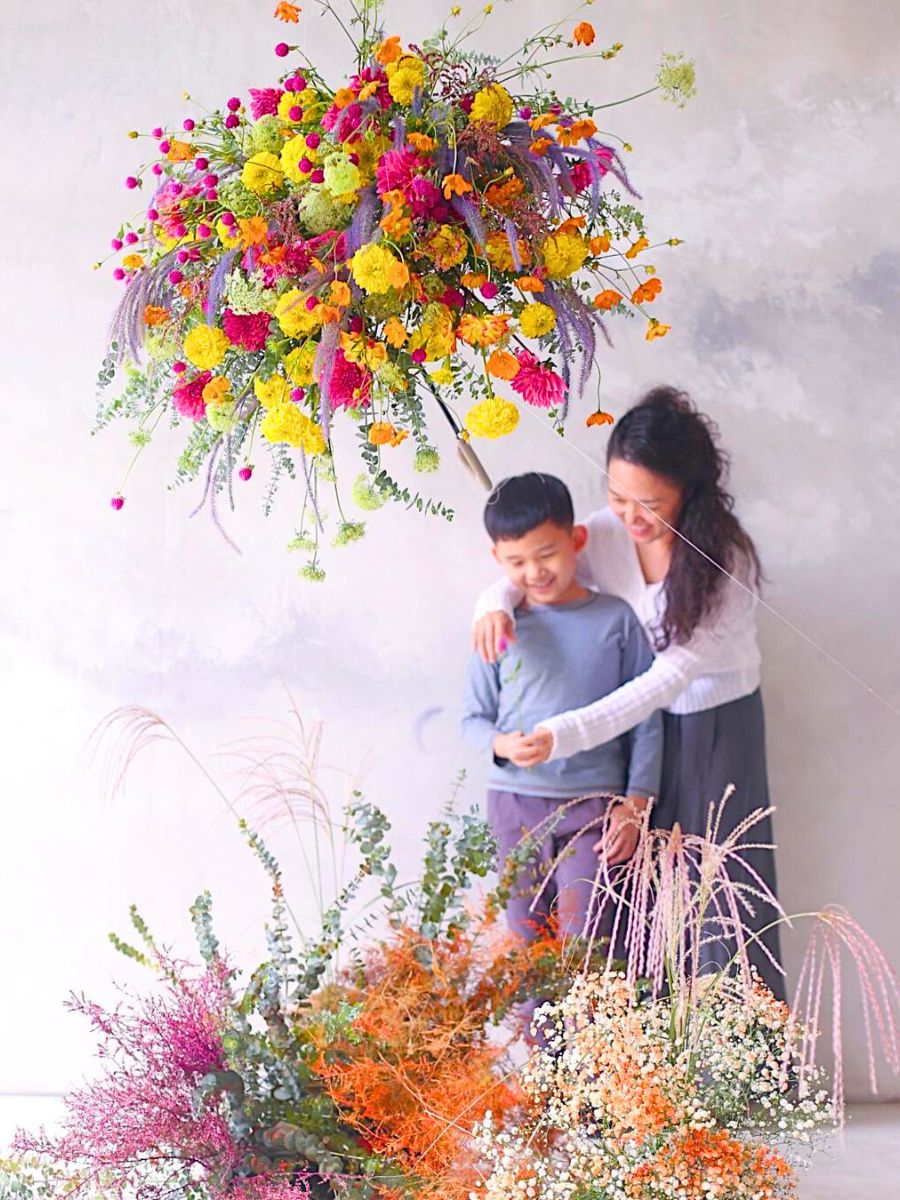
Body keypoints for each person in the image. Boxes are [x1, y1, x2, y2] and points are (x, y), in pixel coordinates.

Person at [471, 387, 784, 999]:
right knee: (637, 905)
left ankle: (742, 1073)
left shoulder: (725, 560)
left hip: (713, 731)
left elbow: (665, 680)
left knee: (719, 897)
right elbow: (537, 561)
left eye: (650, 503)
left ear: (689, 492)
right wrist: (492, 604)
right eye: (616, 496)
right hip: (635, 741)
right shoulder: (606, 532)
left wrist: (562, 733)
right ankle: (644, 1079)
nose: (629, 516)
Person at [461, 471, 663, 958]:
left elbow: (647, 719)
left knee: (587, 949)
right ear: (497, 560)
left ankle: (591, 1038)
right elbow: (473, 719)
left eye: (547, 553)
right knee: (526, 952)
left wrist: (636, 805)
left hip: (592, 812)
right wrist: (503, 745)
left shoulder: (616, 620)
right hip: (514, 809)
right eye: (517, 562)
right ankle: (532, 1038)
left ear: (576, 541)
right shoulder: (498, 626)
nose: (535, 572)